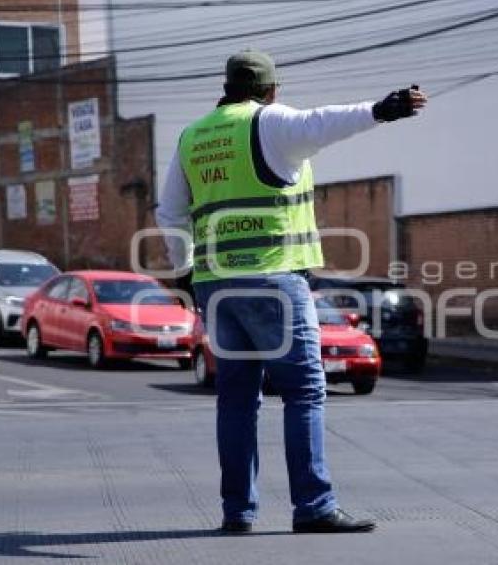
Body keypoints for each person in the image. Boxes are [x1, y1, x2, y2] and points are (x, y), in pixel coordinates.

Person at [156, 49, 426, 534]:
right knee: (304, 390)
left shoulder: (192, 136)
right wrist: (380, 110)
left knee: (236, 400)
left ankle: (237, 511)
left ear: (227, 87)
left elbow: (170, 212)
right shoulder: (271, 123)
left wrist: (186, 273)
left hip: (216, 285)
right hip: (274, 278)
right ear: (270, 90)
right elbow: (322, 123)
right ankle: (314, 505)